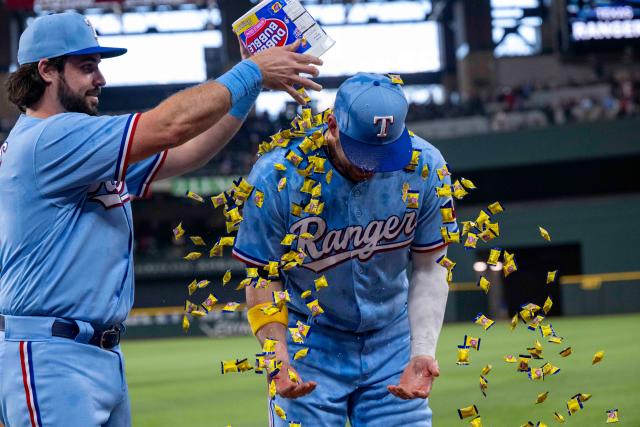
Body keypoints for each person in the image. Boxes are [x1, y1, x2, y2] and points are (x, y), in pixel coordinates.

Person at [0, 11, 322, 427]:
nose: (100, 78)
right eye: (86, 66)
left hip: (92, 353)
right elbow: (169, 126)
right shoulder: (50, 138)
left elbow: (185, 151)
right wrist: (250, 71)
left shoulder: (75, 145)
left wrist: (249, 86)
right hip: (51, 356)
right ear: (46, 70)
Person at [232, 73, 458, 426]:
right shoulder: (276, 175)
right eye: (364, 152)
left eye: (385, 153)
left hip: (392, 338)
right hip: (309, 341)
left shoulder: (426, 166)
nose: (372, 166)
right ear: (333, 126)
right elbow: (262, 275)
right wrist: (276, 356)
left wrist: (422, 351)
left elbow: (431, 266)